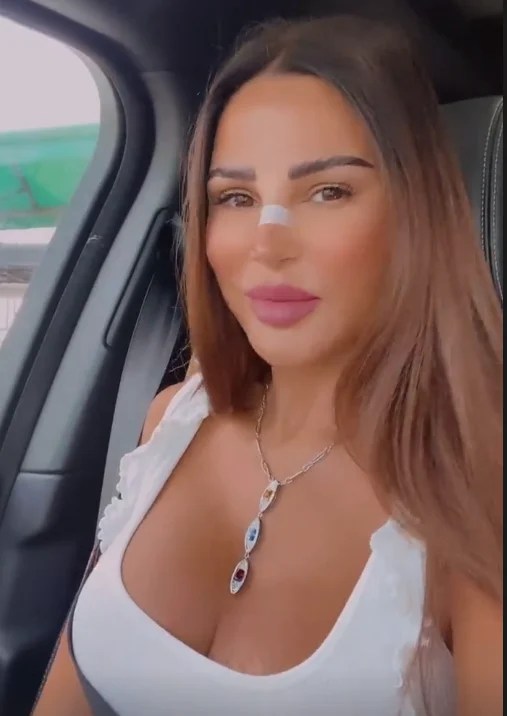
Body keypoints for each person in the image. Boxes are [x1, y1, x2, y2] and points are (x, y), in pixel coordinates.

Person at [32, 14, 502, 716]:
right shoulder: (171, 421)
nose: (267, 243)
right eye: (236, 198)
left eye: (328, 191)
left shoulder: (475, 486)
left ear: (416, 215)